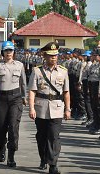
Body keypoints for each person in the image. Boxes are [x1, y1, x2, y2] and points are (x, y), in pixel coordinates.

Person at [28, 42, 71, 174]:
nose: (54, 58)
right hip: (41, 108)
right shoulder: (37, 71)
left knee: (54, 136)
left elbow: (66, 92)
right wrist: (31, 108)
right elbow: (32, 91)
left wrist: (68, 109)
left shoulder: (63, 72)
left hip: (57, 108)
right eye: (51, 55)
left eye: (56, 55)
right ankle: (43, 158)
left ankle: (53, 164)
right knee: (41, 136)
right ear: (44, 55)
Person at [0, 41, 27, 167]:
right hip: (1, 98)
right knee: (0, 126)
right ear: (2, 52)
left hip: (15, 98)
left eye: (10, 50)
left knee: (13, 126)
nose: (9, 53)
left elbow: (23, 83)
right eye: (6, 51)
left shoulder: (20, 65)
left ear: (13, 52)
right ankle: (2, 146)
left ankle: (11, 155)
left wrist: (24, 96)